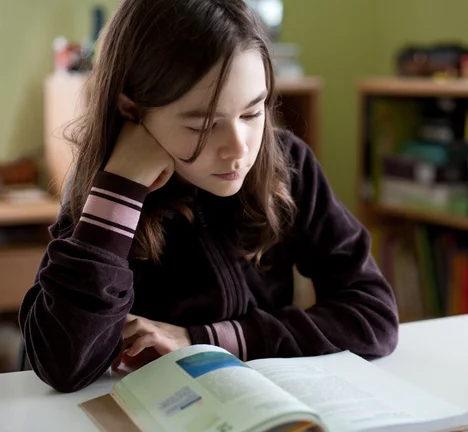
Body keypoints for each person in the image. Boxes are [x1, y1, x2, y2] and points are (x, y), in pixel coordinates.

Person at [19, 0, 399, 393]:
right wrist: (120, 189)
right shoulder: (104, 193)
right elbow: (60, 364)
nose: (238, 149)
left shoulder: (287, 164)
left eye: (252, 113)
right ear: (131, 110)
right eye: (203, 126)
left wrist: (203, 339)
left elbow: (373, 315)